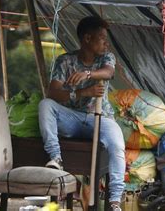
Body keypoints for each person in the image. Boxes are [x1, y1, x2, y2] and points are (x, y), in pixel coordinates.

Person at [38, 16, 125, 210]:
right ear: (87, 38)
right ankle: (56, 158)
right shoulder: (65, 61)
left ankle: (115, 201)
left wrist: (88, 75)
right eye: (101, 37)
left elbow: (109, 72)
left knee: (117, 145)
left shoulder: (106, 57)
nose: (106, 42)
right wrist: (82, 93)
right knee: (45, 105)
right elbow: (52, 92)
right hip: (73, 118)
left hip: (101, 118)